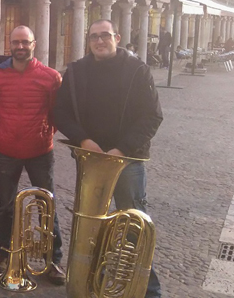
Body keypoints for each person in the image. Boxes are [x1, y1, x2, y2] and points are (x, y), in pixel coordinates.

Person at [53, 19, 163, 298]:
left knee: (134, 223)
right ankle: (90, 281)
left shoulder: (138, 70)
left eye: (105, 36)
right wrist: (84, 140)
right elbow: (60, 113)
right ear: (88, 41)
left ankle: (148, 291)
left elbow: (152, 116)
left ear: (117, 37)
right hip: (91, 158)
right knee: (91, 224)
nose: (99, 41)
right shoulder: (76, 71)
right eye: (94, 37)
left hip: (128, 161)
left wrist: (121, 150)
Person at [0, 26, 65, 284]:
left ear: (34, 44)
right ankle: (4, 253)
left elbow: (55, 114)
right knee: (6, 206)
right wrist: (8, 132)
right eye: (16, 42)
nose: (20, 46)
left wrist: (43, 133)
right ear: (9, 45)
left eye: (25, 42)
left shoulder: (51, 77)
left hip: (40, 151)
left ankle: (52, 259)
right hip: (6, 150)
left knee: (46, 207)